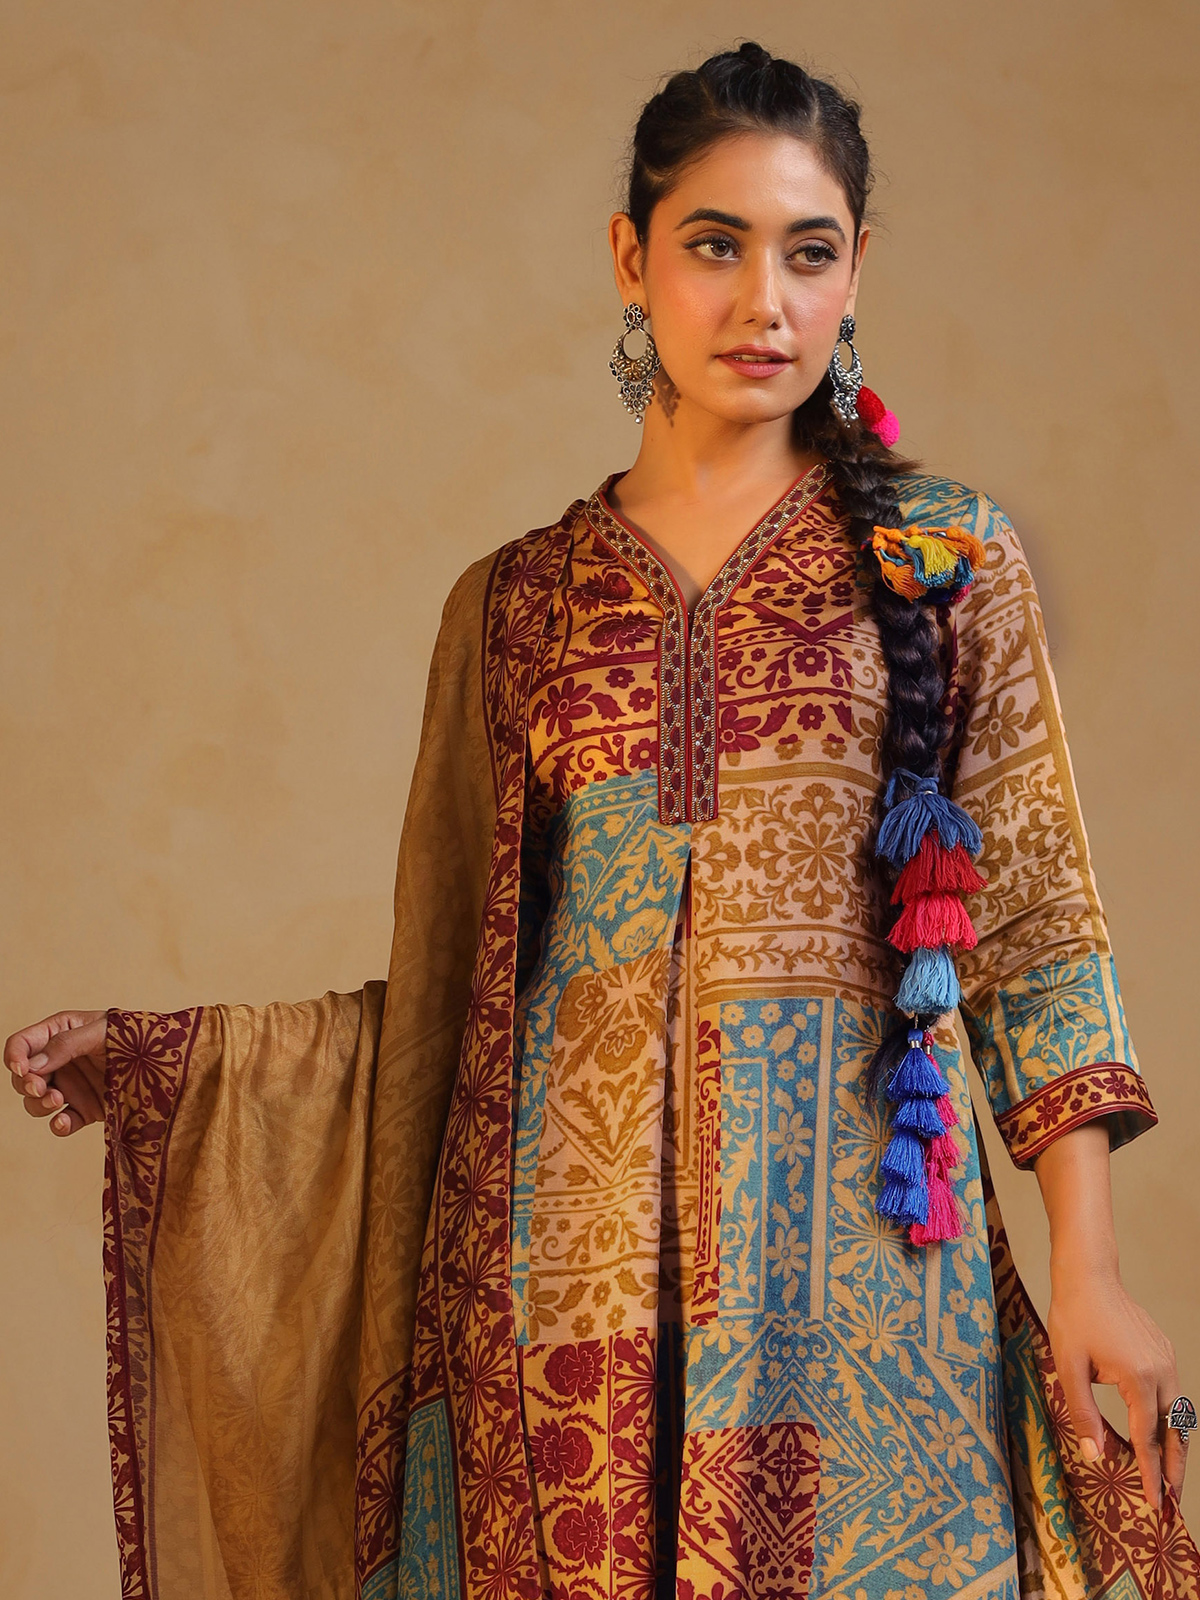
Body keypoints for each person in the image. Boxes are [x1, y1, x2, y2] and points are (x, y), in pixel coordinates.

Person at [5, 41, 1196, 1600]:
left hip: (868, 1296)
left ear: (854, 274)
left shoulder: (947, 562)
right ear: (631, 259)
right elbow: (450, 1006)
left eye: (809, 252)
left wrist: (1090, 1267)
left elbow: (1032, 931)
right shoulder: (512, 608)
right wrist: (186, 1062)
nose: (764, 300)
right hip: (558, 1317)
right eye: (715, 245)